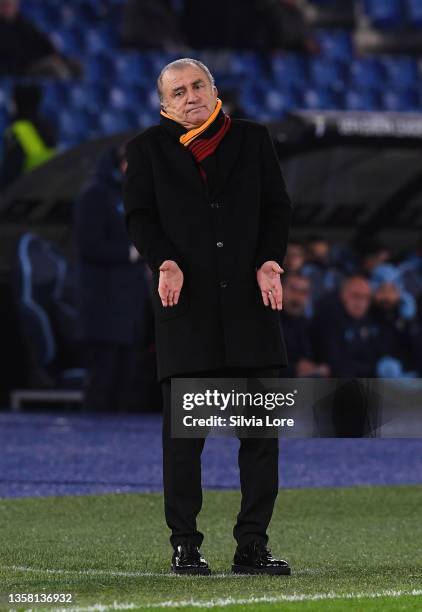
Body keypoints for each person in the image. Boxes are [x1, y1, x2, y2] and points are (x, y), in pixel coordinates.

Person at [123, 58, 293, 576]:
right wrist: (164, 261)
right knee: (183, 442)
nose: (191, 95)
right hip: (187, 310)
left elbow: (276, 208)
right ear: (164, 104)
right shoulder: (147, 150)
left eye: (198, 85)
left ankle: (252, 548)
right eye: (179, 91)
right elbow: (140, 216)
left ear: (214, 90)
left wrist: (270, 259)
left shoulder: (253, 139)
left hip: (251, 310)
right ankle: (185, 545)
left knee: (261, 438)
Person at [74, 145, 153, 412]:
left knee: (126, 385)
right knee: (102, 384)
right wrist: (132, 253)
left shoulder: (132, 197)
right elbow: (90, 246)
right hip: (104, 308)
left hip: (128, 311)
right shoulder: (95, 195)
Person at [0, 0, 79, 78]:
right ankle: (65, 87)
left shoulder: (25, 23)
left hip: (36, 61)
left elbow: (43, 42)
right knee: (53, 67)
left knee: (76, 66)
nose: (9, 8)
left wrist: (59, 57)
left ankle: (80, 90)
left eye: (11, 4)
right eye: (5, 5)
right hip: (21, 68)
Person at [0, 84, 56, 188]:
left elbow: (10, 174)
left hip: (24, 193)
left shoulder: (17, 131)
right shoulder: (49, 128)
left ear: (18, 102)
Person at [280, 273, 330, 377]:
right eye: (293, 290)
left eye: (303, 292)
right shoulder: (269, 324)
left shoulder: (309, 325)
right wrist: (295, 369)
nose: (297, 297)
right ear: (281, 289)